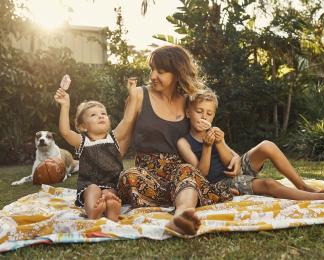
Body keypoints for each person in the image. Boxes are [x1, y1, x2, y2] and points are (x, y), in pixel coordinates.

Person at [117, 45, 239, 235]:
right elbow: (122, 141)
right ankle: (195, 196)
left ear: (177, 73)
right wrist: (103, 177)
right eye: (152, 69)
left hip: (181, 176)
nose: (152, 76)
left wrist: (234, 155)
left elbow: (207, 134)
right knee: (128, 175)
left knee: (187, 171)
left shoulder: (189, 102)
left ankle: (181, 216)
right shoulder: (139, 95)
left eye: (161, 71)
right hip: (146, 179)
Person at [177, 88, 324, 200]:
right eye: (199, 111)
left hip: (234, 169)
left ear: (214, 116)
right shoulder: (184, 142)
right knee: (269, 184)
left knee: (267, 145)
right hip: (221, 181)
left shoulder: (214, 132)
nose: (204, 116)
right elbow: (201, 175)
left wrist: (222, 143)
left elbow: (232, 158)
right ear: (187, 113)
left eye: (209, 113)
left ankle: (302, 185)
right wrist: (208, 147)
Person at [54, 78, 138, 222]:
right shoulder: (82, 141)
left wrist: (133, 95)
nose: (100, 116)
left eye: (103, 114)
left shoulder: (114, 137)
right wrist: (65, 105)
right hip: (88, 184)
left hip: (112, 183)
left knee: (109, 193)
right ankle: (93, 210)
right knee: (92, 190)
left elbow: (128, 119)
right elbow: (65, 132)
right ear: (82, 126)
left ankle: (111, 209)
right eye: (93, 115)